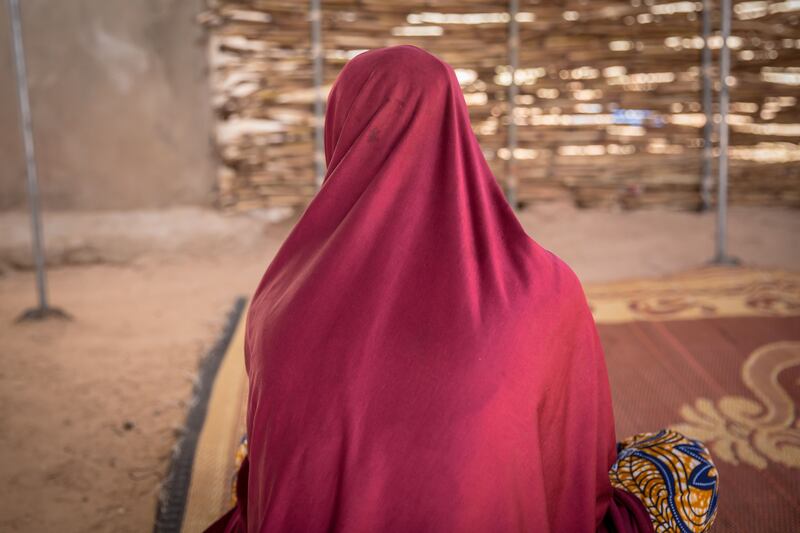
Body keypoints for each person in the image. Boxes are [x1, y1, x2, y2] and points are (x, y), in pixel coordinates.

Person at [205, 45, 717, 532]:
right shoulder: (541, 287)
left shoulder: (279, 297)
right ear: (456, 125)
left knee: (254, 447)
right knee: (683, 464)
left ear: (340, 129)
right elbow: (574, 473)